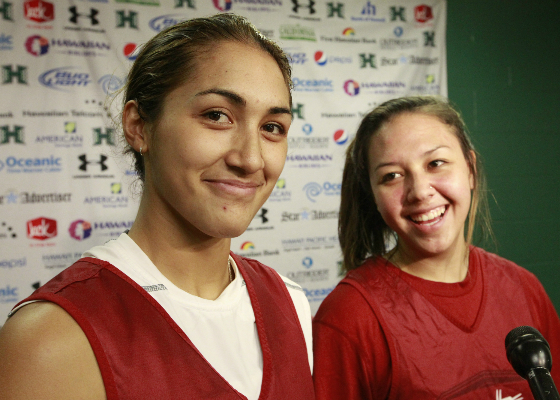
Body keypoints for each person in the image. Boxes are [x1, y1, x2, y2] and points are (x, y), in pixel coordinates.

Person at [0, 14, 314, 400]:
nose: (251, 159)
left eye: (272, 127)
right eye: (217, 116)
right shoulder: (53, 338)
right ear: (139, 126)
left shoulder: (290, 302)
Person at [312, 96, 560, 399]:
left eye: (436, 163)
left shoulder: (524, 289)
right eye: (392, 176)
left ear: (470, 168)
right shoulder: (349, 317)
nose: (419, 191)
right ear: (373, 197)